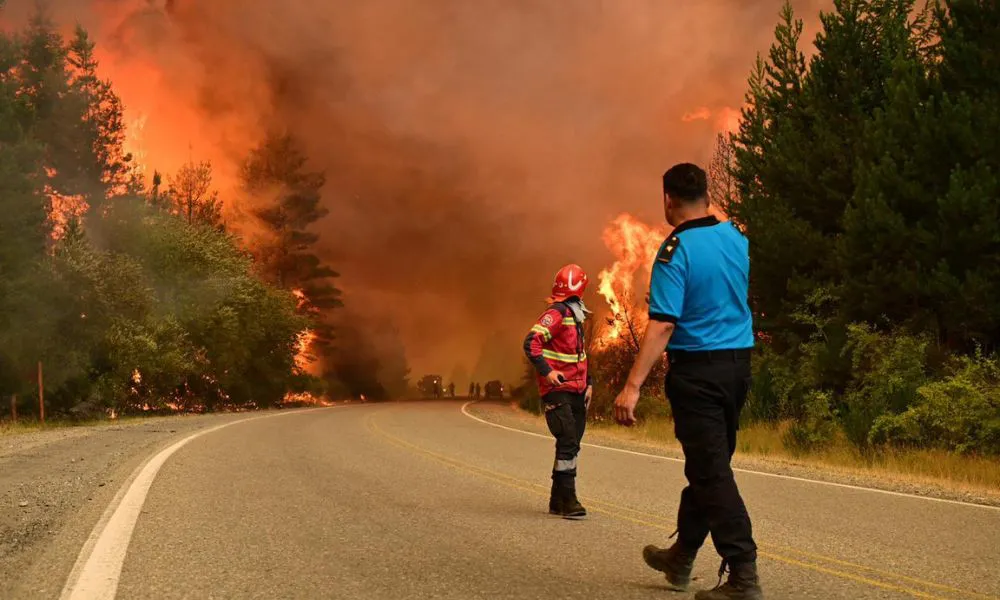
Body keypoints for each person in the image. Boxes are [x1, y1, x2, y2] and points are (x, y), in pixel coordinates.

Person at [612, 163, 762, 599]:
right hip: (738, 369)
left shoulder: (675, 251)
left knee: (711, 472)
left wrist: (633, 385)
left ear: (668, 200)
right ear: (707, 195)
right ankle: (681, 556)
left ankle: (744, 576)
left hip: (697, 373)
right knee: (709, 466)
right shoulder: (736, 238)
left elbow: (662, 326)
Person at [523, 264, 594, 520]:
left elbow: (581, 354)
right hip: (558, 389)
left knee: (571, 445)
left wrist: (590, 383)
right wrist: (548, 372)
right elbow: (531, 342)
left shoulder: (576, 315)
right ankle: (570, 499)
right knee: (568, 442)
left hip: (577, 389)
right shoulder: (557, 312)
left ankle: (557, 499)